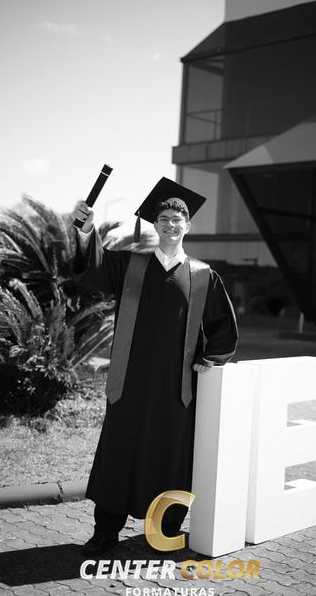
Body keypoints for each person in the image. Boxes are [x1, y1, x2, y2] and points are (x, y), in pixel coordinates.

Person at [72, 177, 238, 557]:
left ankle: (164, 529)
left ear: (187, 226)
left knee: (170, 455)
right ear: (155, 225)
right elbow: (92, 266)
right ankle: (106, 531)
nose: (170, 224)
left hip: (175, 388)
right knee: (119, 450)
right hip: (128, 384)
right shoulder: (130, 265)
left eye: (177, 220)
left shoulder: (203, 275)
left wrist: (210, 358)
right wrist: (85, 230)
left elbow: (222, 326)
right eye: (164, 219)